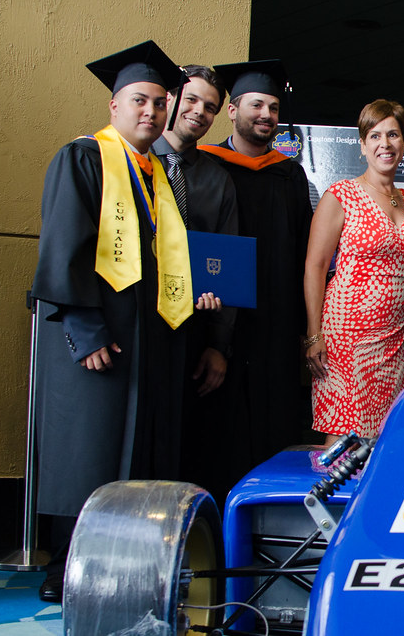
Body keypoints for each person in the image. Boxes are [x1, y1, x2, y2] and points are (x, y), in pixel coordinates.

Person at [31, 41, 218, 601]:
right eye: (140, 100)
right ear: (114, 105)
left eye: (161, 103)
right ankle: (66, 566)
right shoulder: (83, 159)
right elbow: (65, 246)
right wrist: (85, 330)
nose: (151, 113)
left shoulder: (157, 174)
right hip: (98, 336)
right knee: (91, 448)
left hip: (148, 336)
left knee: (137, 451)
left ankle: (128, 565)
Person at [199, 60, 313, 490]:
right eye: (257, 105)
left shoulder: (290, 174)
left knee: (274, 422)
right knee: (217, 424)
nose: (266, 115)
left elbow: (305, 251)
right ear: (232, 110)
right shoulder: (205, 167)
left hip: (276, 324)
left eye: (274, 108)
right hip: (220, 319)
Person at [304, 100, 404, 444]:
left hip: (395, 338)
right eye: (374, 136)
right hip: (347, 337)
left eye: (392, 135)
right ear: (362, 145)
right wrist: (314, 335)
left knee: (386, 436)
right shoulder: (341, 195)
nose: (384, 144)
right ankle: (331, 499)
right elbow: (314, 266)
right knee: (346, 438)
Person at [151, 64, 240, 498]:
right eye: (192, 100)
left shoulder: (216, 179)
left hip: (189, 331)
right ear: (169, 99)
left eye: (210, 107)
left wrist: (217, 345)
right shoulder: (129, 161)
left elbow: (226, 263)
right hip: (134, 328)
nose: (199, 112)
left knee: (179, 443)